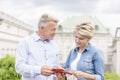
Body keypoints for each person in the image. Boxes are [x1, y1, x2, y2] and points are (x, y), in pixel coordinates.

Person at [15, 14, 63, 80]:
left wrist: (60, 74)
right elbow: (19, 67)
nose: (55, 32)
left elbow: (56, 66)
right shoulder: (25, 42)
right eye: (53, 29)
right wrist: (39, 70)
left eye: (55, 29)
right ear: (41, 28)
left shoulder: (54, 45)